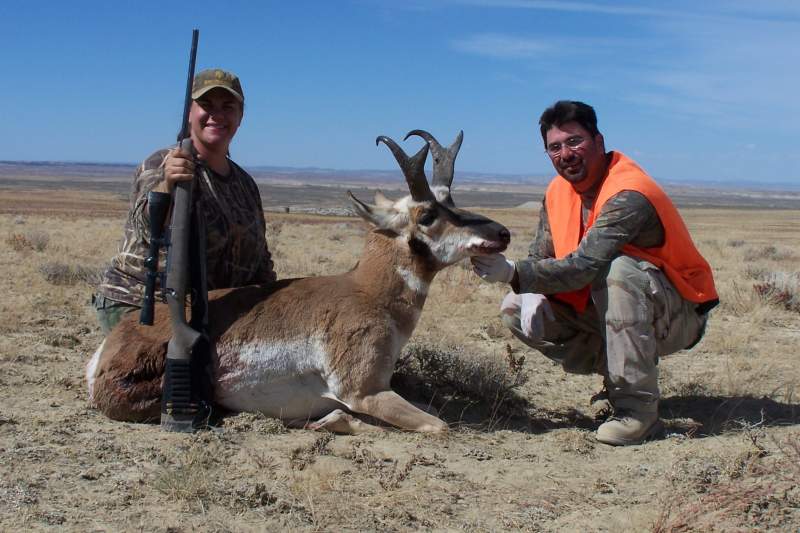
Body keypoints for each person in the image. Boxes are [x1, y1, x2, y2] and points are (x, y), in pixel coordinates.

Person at [471, 101, 718, 446]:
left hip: (678, 315)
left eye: (574, 141)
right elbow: (541, 255)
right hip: (616, 309)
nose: (565, 154)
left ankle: (638, 413)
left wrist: (513, 272)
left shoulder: (629, 193)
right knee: (515, 307)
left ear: (599, 141)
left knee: (618, 270)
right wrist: (526, 290)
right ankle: (617, 382)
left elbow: (584, 266)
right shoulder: (558, 191)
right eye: (555, 147)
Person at [94, 68, 276, 334]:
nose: (217, 115)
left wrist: (271, 303)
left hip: (212, 309)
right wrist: (168, 185)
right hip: (143, 305)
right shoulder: (162, 163)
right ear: (189, 113)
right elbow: (146, 229)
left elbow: (260, 258)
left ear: (241, 116)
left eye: (228, 106)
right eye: (206, 105)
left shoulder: (246, 184)